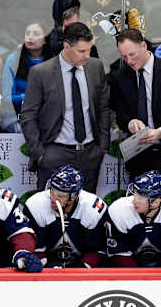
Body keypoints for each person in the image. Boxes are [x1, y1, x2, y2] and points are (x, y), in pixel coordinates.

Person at [20, 22, 109, 193]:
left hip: (90, 154)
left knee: (85, 215)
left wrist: (102, 146)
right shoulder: (41, 73)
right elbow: (28, 116)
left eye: (89, 49)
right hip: (54, 154)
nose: (87, 55)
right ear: (66, 46)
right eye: (81, 51)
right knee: (50, 212)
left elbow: (102, 107)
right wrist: (40, 155)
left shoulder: (95, 67)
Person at [109, 28, 161, 200]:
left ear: (143, 45)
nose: (129, 61)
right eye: (124, 57)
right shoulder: (121, 76)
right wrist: (130, 122)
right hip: (140, 157)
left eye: (132, 54)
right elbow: (121, 115)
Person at [22, 164, 107, 268]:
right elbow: (37, 250)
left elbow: (96, 251)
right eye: (52, 191)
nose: (53, 198)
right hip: (48, 263)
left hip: (81, 266)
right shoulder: (35, 205)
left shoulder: (93, 209)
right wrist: (43, 267)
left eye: (60, 195)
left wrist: (81, 269)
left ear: (74, 196)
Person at [0, 20, 52, 133]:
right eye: (27, 33)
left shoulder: (53, 61)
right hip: (17, 113)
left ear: (45, 40)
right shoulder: (13, 59)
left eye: (36, 34)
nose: (30, 37)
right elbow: (7, 96)